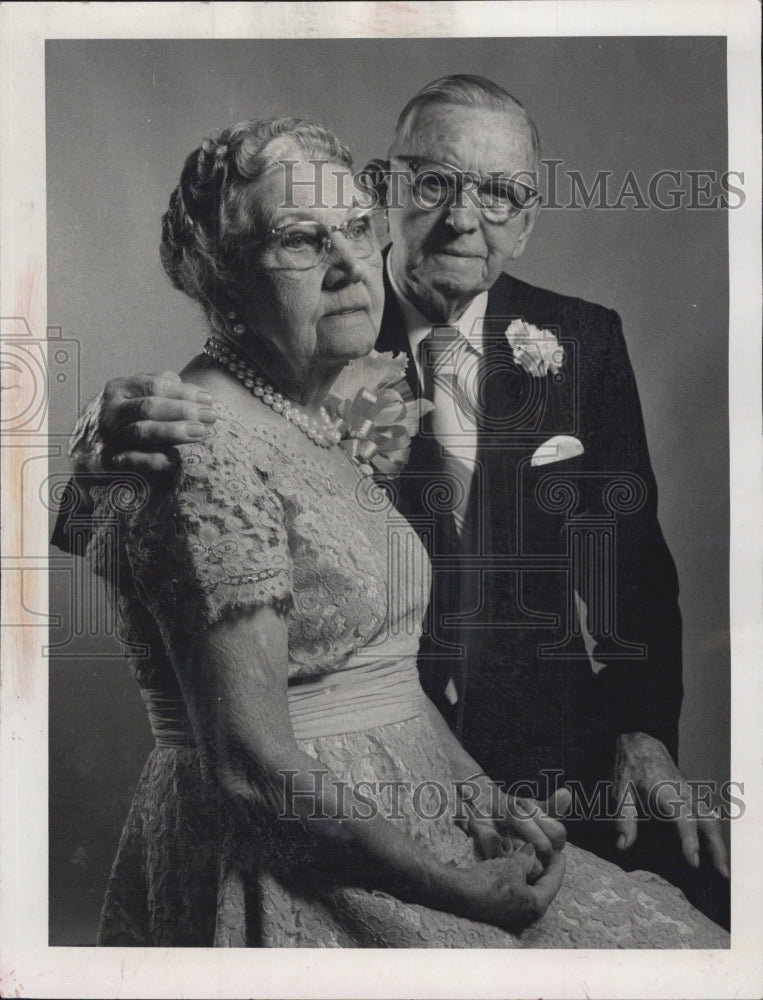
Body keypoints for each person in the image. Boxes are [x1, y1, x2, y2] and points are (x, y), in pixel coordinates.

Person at [54, 77, 729, 924]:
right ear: (386, 189)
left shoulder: (585, 340)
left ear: (526, 220)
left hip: (552, 763)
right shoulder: (304, 327)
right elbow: (149, 533)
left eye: (498, 193)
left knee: (705, 914)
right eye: (434, 183)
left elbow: (631, 570)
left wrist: (644, 737)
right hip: (353, 781)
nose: (462, 218)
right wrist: (91, 456)